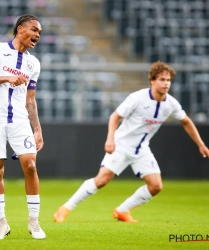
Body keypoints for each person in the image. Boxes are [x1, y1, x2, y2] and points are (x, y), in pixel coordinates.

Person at [53, 61, 209, 223]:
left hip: (141, 149)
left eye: (168, 80)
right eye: (162, 79)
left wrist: (201, 144)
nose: (166, 83)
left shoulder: (171, 104)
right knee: (101, 180)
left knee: (156, 186)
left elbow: (186, 122)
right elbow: (115, 116)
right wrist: (110, 139)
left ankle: (122, 210)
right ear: (152, 81)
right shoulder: (137, 98)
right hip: (121, 145)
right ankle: (64, 209)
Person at [0, 14, 46, 240]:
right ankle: (1, 224)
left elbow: (30, 99)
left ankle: (34, 222)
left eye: (40, 32)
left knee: (31, 165)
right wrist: (7, 77)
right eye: (34, 29)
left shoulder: (33, 63)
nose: (37, 35)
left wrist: (37, 128)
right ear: (19, 29)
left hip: (19, 120)